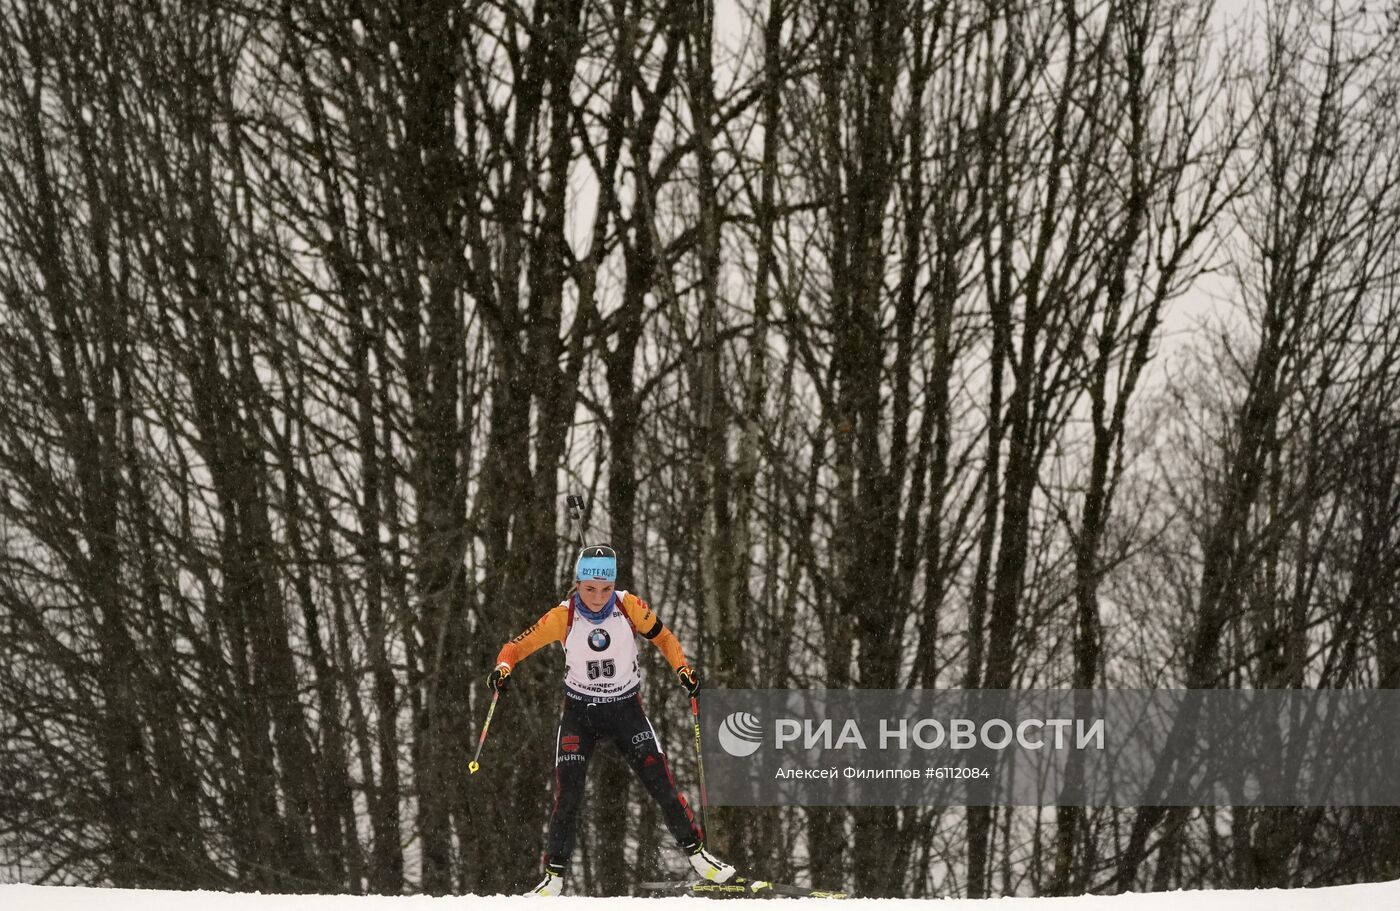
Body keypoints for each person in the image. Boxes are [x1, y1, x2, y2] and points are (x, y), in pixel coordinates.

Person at [488, 544, 735, 896]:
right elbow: (516, 646)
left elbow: (663, 637)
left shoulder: (628, 605)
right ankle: (553, 879)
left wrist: (682, 668)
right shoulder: (563, 616)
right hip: (580, 713)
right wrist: (503, 667)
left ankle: (699, 857)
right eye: (589, 589)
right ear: (577, 584)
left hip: (625, 711)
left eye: (605, 589)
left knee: (660, 783)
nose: (597, 597)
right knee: (569, 793)